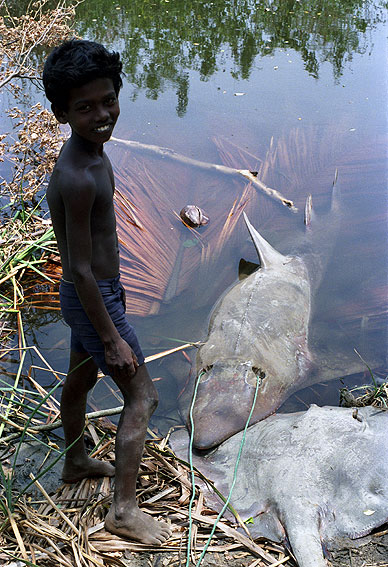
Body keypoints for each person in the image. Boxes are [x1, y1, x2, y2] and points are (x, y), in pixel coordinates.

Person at [43, 39, 171, 545]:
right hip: (93, 296)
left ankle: (75, 458)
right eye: (85, 108)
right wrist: (112, 336)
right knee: (143, 396)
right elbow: (77, 268)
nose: (102, 115)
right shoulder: (76, 176)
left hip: (92, 296)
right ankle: (123, 509)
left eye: (108, 100)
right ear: (61, 113)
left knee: (79, 380)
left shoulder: (93, 154)